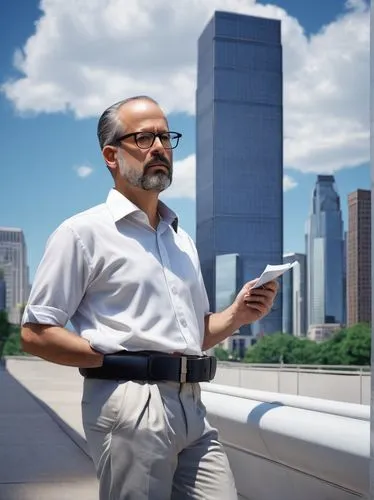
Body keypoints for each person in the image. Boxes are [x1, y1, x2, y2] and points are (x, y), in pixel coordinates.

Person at [21, 95, 278, 500]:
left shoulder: (181, 239)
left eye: (165, 137)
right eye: (143, 138)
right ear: (111, 155)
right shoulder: (81, 233)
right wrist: (114, 359)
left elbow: (190, 333)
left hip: (193, 406)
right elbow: (36, 333)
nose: (159, 147)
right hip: (131, 404)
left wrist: (237, 314)